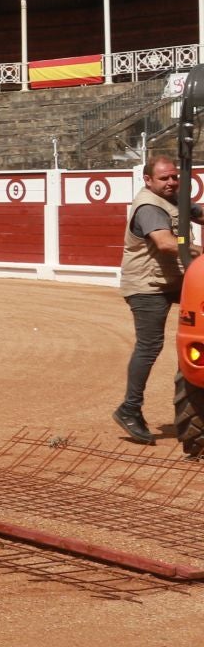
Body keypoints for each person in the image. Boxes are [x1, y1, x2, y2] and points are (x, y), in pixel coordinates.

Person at [116, 155, 189, 444]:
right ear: (148, 180)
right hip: (146, 285)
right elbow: (166, 243)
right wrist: (197, 248)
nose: (171, 182)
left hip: (172, 278)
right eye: (164, 178)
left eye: (174, 176)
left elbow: (196, 212)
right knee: (150, 346)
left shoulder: (172, 198)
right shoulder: (149, 207)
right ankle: (129, 408)